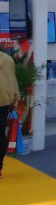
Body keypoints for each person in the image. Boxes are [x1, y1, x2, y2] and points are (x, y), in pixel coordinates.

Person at [0, 50, 20, 179]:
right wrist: (15, 99)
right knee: (0, 133)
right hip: (4, 101)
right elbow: (13, 80)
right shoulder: (7, 59)